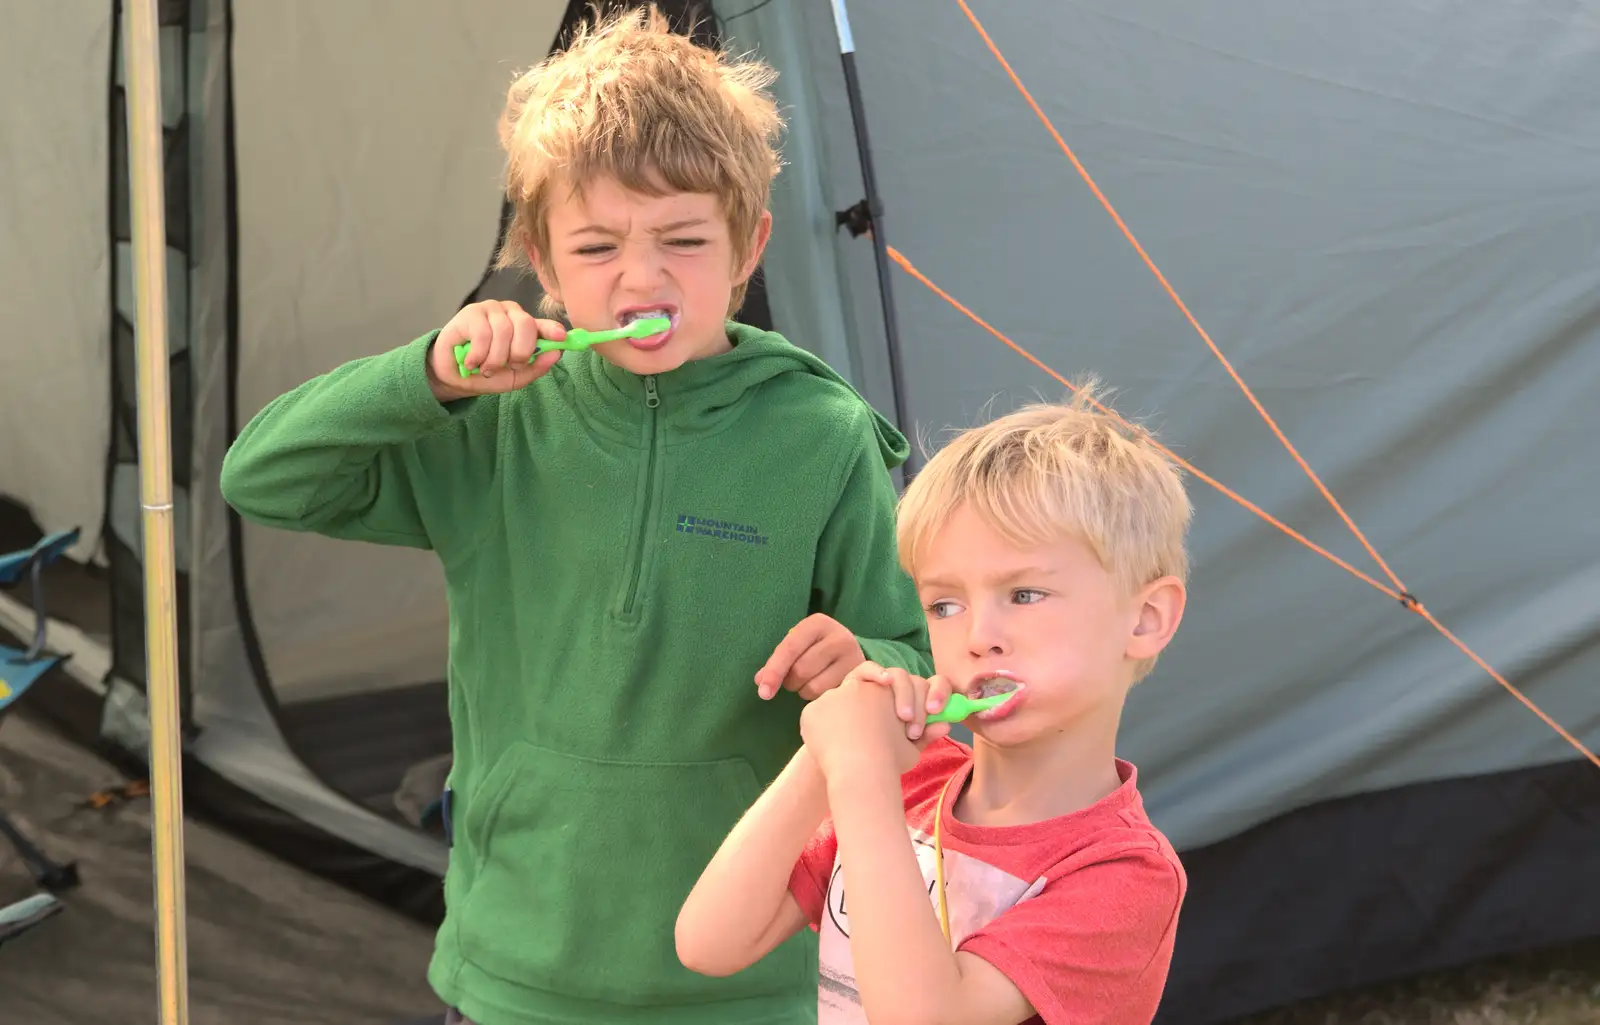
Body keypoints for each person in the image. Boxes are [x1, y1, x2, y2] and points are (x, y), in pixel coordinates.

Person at [219, 7, 931, 1024]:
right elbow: (264, 476)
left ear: (748, 248)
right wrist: (426, 371)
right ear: (541, 264)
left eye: (683, 240)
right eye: (596, 247)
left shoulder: (823, 436)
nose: (641, 277)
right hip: (511, 971)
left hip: (747, 984)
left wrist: (863, 657)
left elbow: (914, 655)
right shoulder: (492, 422)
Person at [677, 383, 1194, 1025]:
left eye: (1025, 594)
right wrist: (825, 756)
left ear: (1144, 619)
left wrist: (861, 779)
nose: (978, 637)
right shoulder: (913, 780)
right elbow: (710, 941)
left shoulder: (1121, 873)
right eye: (945, 605)